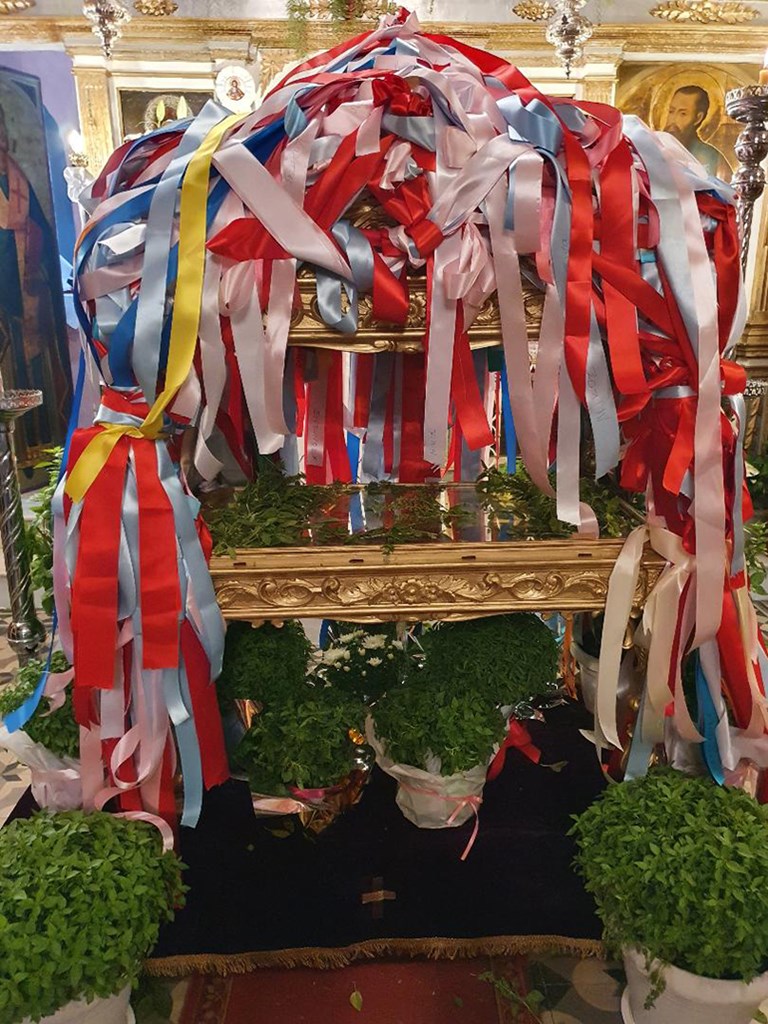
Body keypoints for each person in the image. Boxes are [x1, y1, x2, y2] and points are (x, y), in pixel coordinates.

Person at [0, 101, 67, 454]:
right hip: (6, 289)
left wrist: (34, 262)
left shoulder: (18, 179)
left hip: (28, 285)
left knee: (35, 363)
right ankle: (17, 450)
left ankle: (43, 444)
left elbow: (40, 226)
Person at [663, 84, 731, 180]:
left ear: (698, 118)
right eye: (671, 111)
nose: (673, 120)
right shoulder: (654, 151)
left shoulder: (711, 158)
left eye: (683, 114)